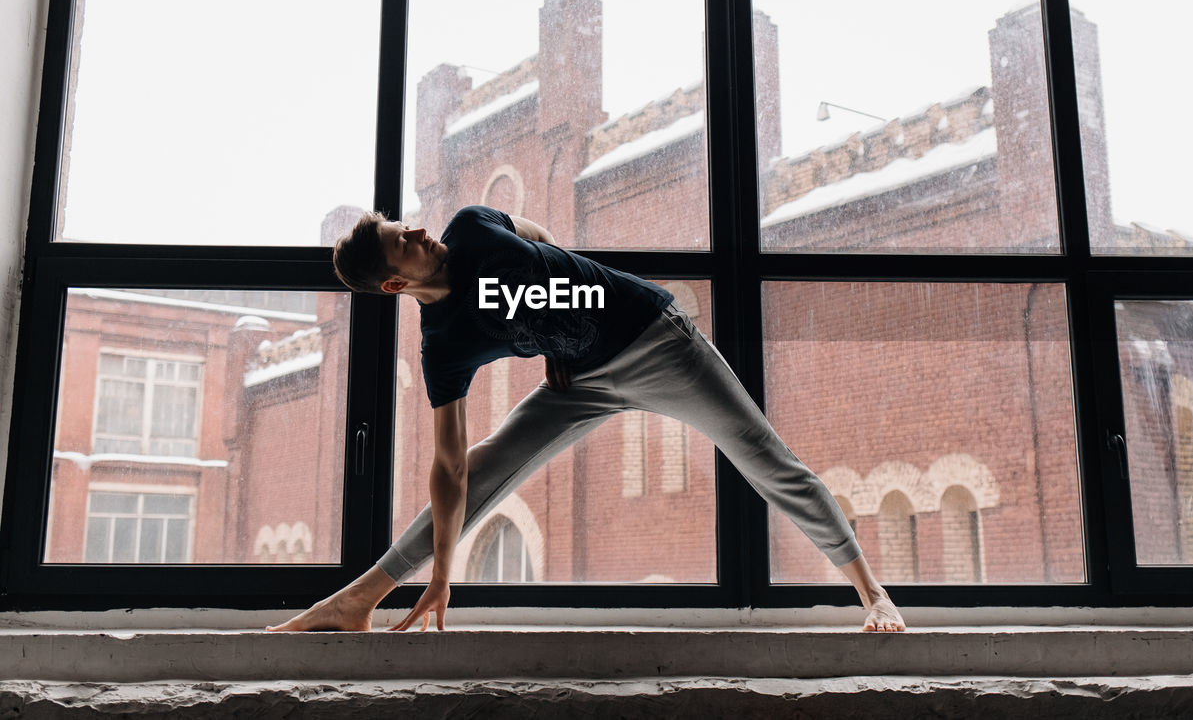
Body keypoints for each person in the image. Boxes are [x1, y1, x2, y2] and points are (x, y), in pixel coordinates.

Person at [269, 205, 905, 633]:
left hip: (656, 341)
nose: (415, 234)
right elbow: (448, 463)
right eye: (400, 244)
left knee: (760, 454)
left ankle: (872, 592)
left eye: (404, 226)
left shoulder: (473, 228)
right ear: (392, 287)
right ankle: (359, 599)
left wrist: (554, 334)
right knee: (485, 466)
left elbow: (539, 242)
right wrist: (440, 574)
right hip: (583, 385)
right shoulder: (445, 342)